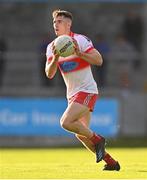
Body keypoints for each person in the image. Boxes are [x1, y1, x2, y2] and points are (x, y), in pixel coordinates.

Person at [45, 9, 120, 171]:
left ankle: (98, 139)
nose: (55, 25)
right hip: (72, 95)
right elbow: (49, 74)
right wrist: (56, 58)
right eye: (54, 22)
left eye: (59, 22)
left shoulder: (80, 40)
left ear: (68, 24)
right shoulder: (52, 47)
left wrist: (80, 53)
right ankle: (111, 162)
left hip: (87, 91)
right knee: (81, 134)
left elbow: (99, 60)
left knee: (65, 122)